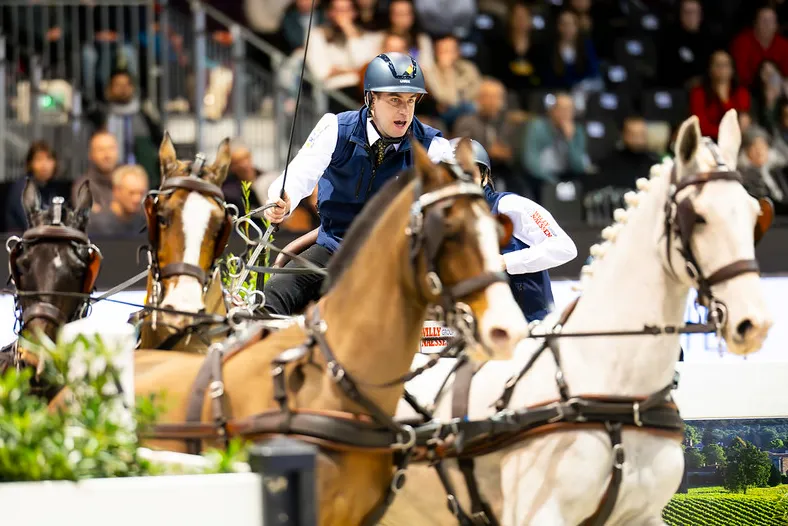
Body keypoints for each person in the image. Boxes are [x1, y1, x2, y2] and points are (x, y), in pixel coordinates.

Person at [262, 52, 454, 315]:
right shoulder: (336, 128)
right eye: (394, 99)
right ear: (370, 99)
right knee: (275, 291)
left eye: (411, 101)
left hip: (396, 258)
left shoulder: (434, 147)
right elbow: (297, 176)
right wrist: (282, 199)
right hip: (335, 248)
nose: (404, 110)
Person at [451, 138, 578, 322]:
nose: (461, 183)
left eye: (468, 174)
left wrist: (506, 261)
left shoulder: (509, 206)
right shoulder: (444, 222)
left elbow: (564, 247)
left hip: (530, 326)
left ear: (485, 176)